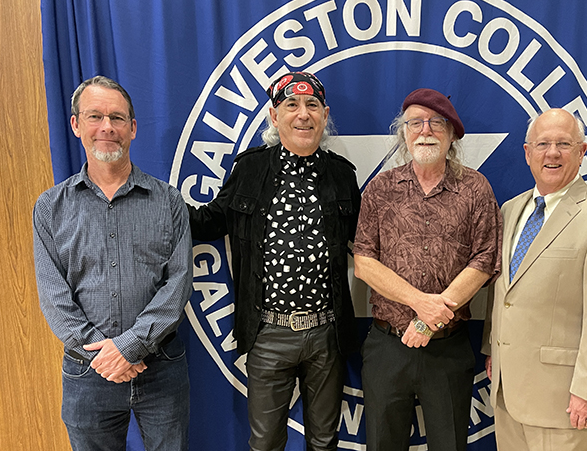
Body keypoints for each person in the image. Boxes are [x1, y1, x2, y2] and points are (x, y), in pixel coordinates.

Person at [187, 71, 360, 451]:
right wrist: (157, 204)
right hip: (269, 333)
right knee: (265, 442)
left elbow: (366, 244)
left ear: (325, 114)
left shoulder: (342, 176)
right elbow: (210, 221)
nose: (303, 114)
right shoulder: (249, 169)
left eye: (312, 105)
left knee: (325, 442)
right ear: (273, 115)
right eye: (291, 105)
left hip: (326, 334)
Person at [33, 76, 193, 450]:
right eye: (95, 116)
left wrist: (129, 348)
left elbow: (179, 283)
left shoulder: (168, 202)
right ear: (76, 124)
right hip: (87, 372)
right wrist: (105, 355)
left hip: (161, 368)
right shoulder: (50, 208)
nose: (107, 127)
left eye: (118, 118)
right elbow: (53, 296)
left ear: (133, 128)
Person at [353, 88, 502, 451]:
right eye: (415, 122)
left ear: (452, 134)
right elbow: (364, 262)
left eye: (437, 123)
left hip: (447, 350)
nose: (425, 130)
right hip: (387, 348)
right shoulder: (381, 189)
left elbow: (484, 260)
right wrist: (421, 304)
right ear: (403, 132)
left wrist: (429, 320)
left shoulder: (475, 188)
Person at [482, 108, 587, 450]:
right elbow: (505, 290)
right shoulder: (510, 210)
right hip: (508, 395)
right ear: (527, 152)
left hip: (565, 403)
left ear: (582, 152)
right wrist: (492, 348)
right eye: (543, 144)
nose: (552, 153)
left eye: (564, 144)